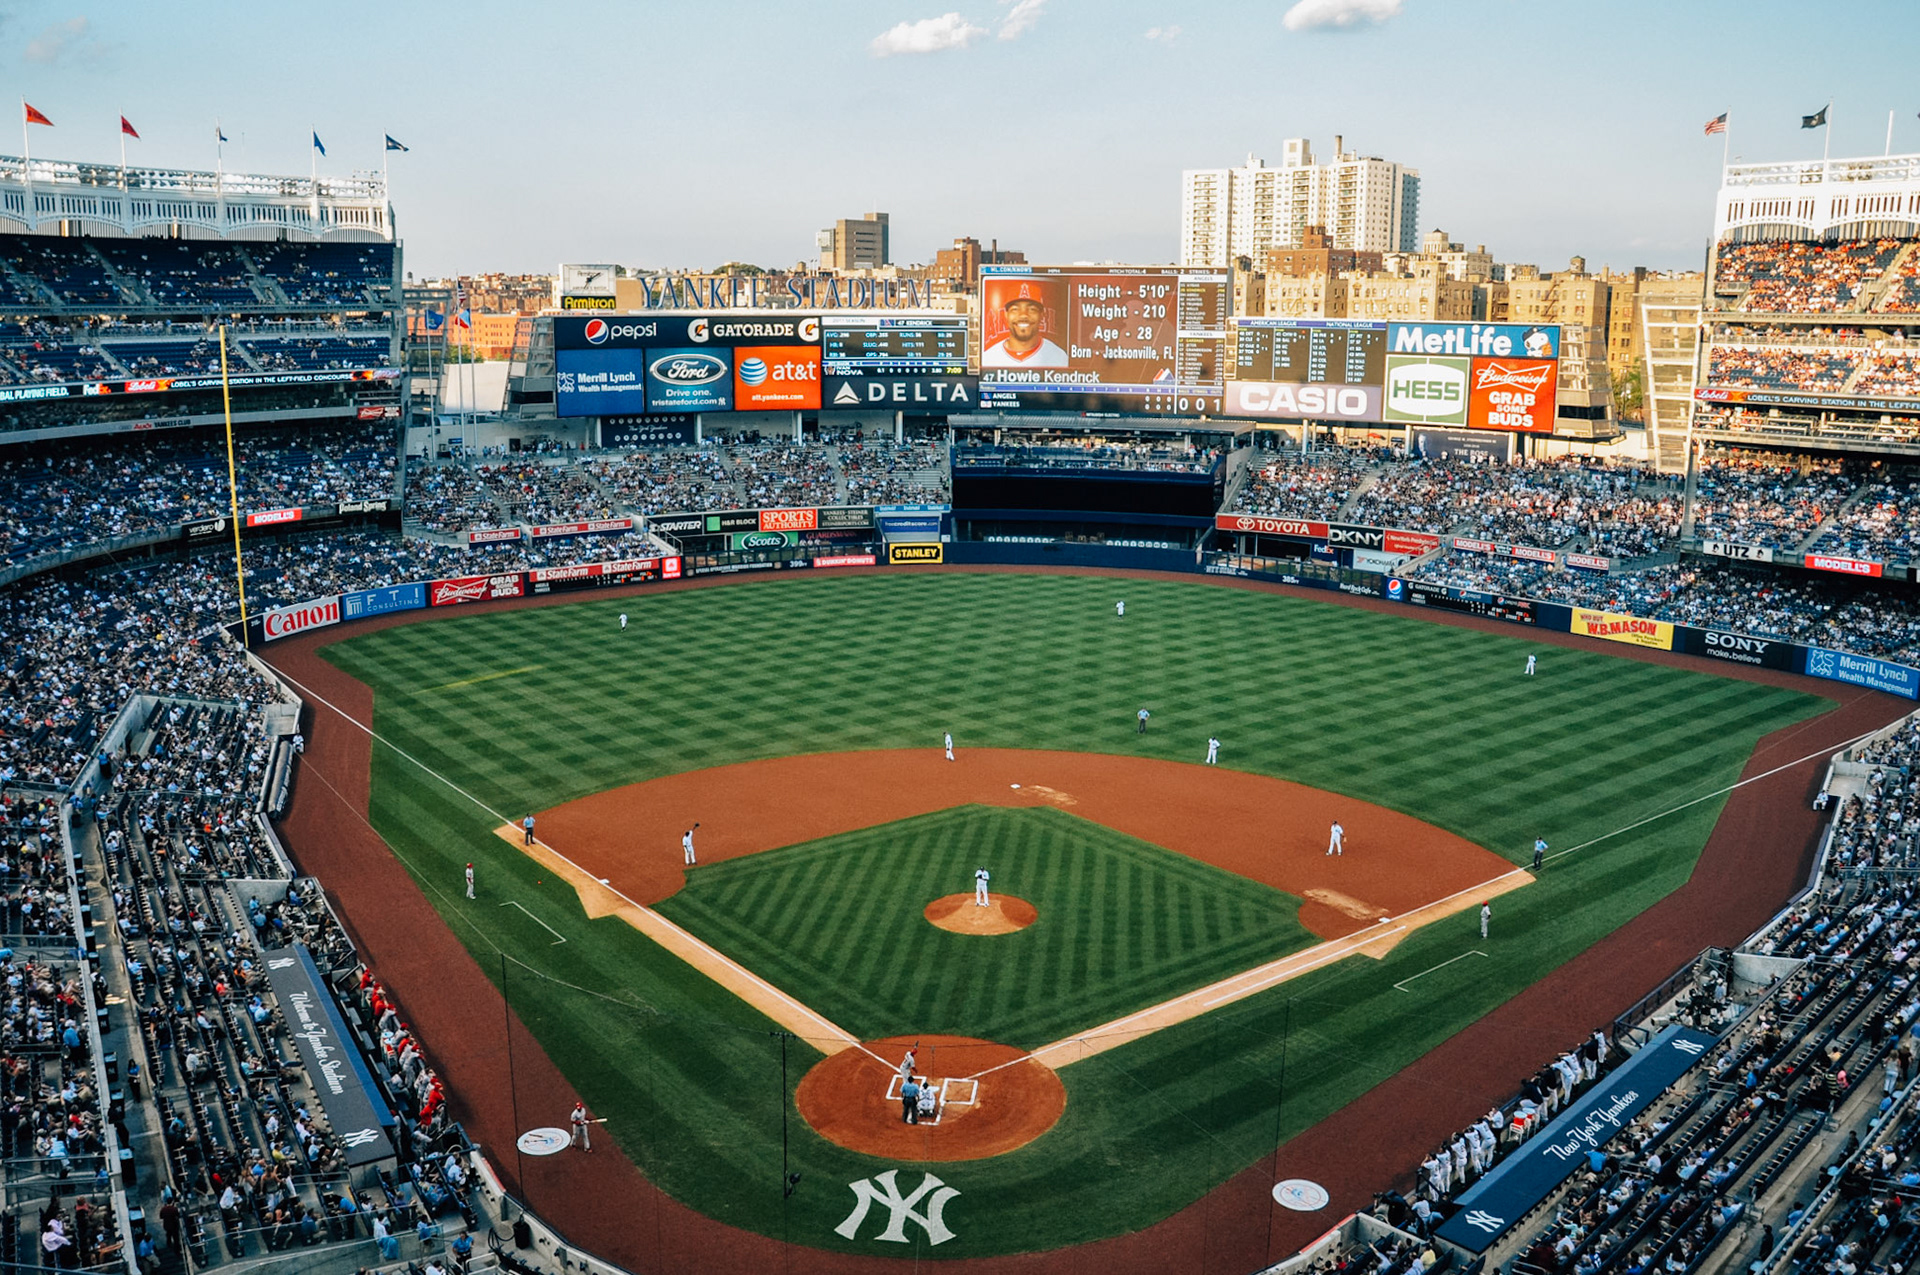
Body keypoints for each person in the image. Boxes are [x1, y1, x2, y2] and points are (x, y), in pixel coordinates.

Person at [982, 282, 1068, 368]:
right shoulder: (988, 358)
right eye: (1015, 309)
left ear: (1042, 315)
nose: (1023, 315)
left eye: (1032, 309)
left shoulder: (1059, 357)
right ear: (1006, 314)